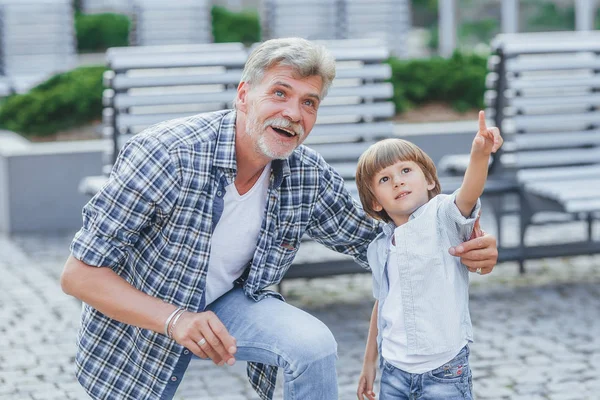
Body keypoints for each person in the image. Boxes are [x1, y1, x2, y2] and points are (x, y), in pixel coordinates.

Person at [60, 38, 501, 400]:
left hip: (230, 302)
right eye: (279, 93)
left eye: (309, 102)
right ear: (243, 94)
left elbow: (384, 238)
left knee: (312, 346)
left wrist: (461, 243)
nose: (293, 113)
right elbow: (79, 276)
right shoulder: (167, 154)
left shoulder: (305, 175)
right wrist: (176, 319)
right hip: (145, 311)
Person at [355, 112, 501, 400]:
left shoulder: (442, 216)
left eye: (406, 171)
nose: (398, 182)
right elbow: (382, 303)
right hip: (393, 372)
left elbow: (468, 194)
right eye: (385, 178)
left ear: (431, 181)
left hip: (444, 373)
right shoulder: (380, 246)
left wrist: (479, 155)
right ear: (375, 201)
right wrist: (369, 363)